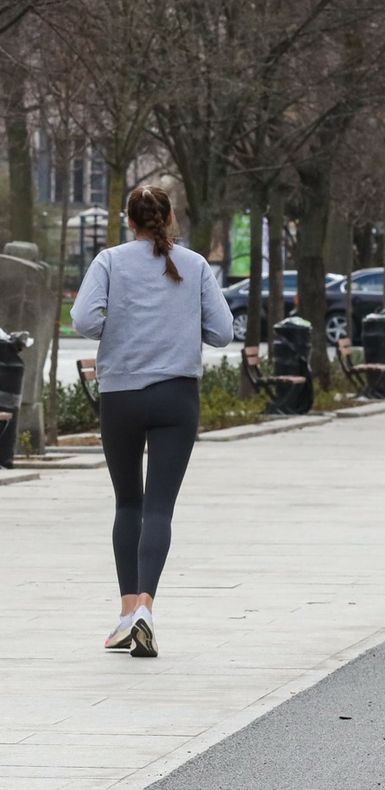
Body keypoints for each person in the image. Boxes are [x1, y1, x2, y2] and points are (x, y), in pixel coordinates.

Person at [71, 185, 233, 658]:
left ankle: (126, 615)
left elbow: (83, 319)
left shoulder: (109, 261)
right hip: (177, 398)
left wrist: (117, 324)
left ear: (130, 220)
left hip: (121, 395)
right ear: (170, 218)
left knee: (128, 504)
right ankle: (146, 608)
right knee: (159, 508)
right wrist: (182, 325)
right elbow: (223, 332)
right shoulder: (196, 265)